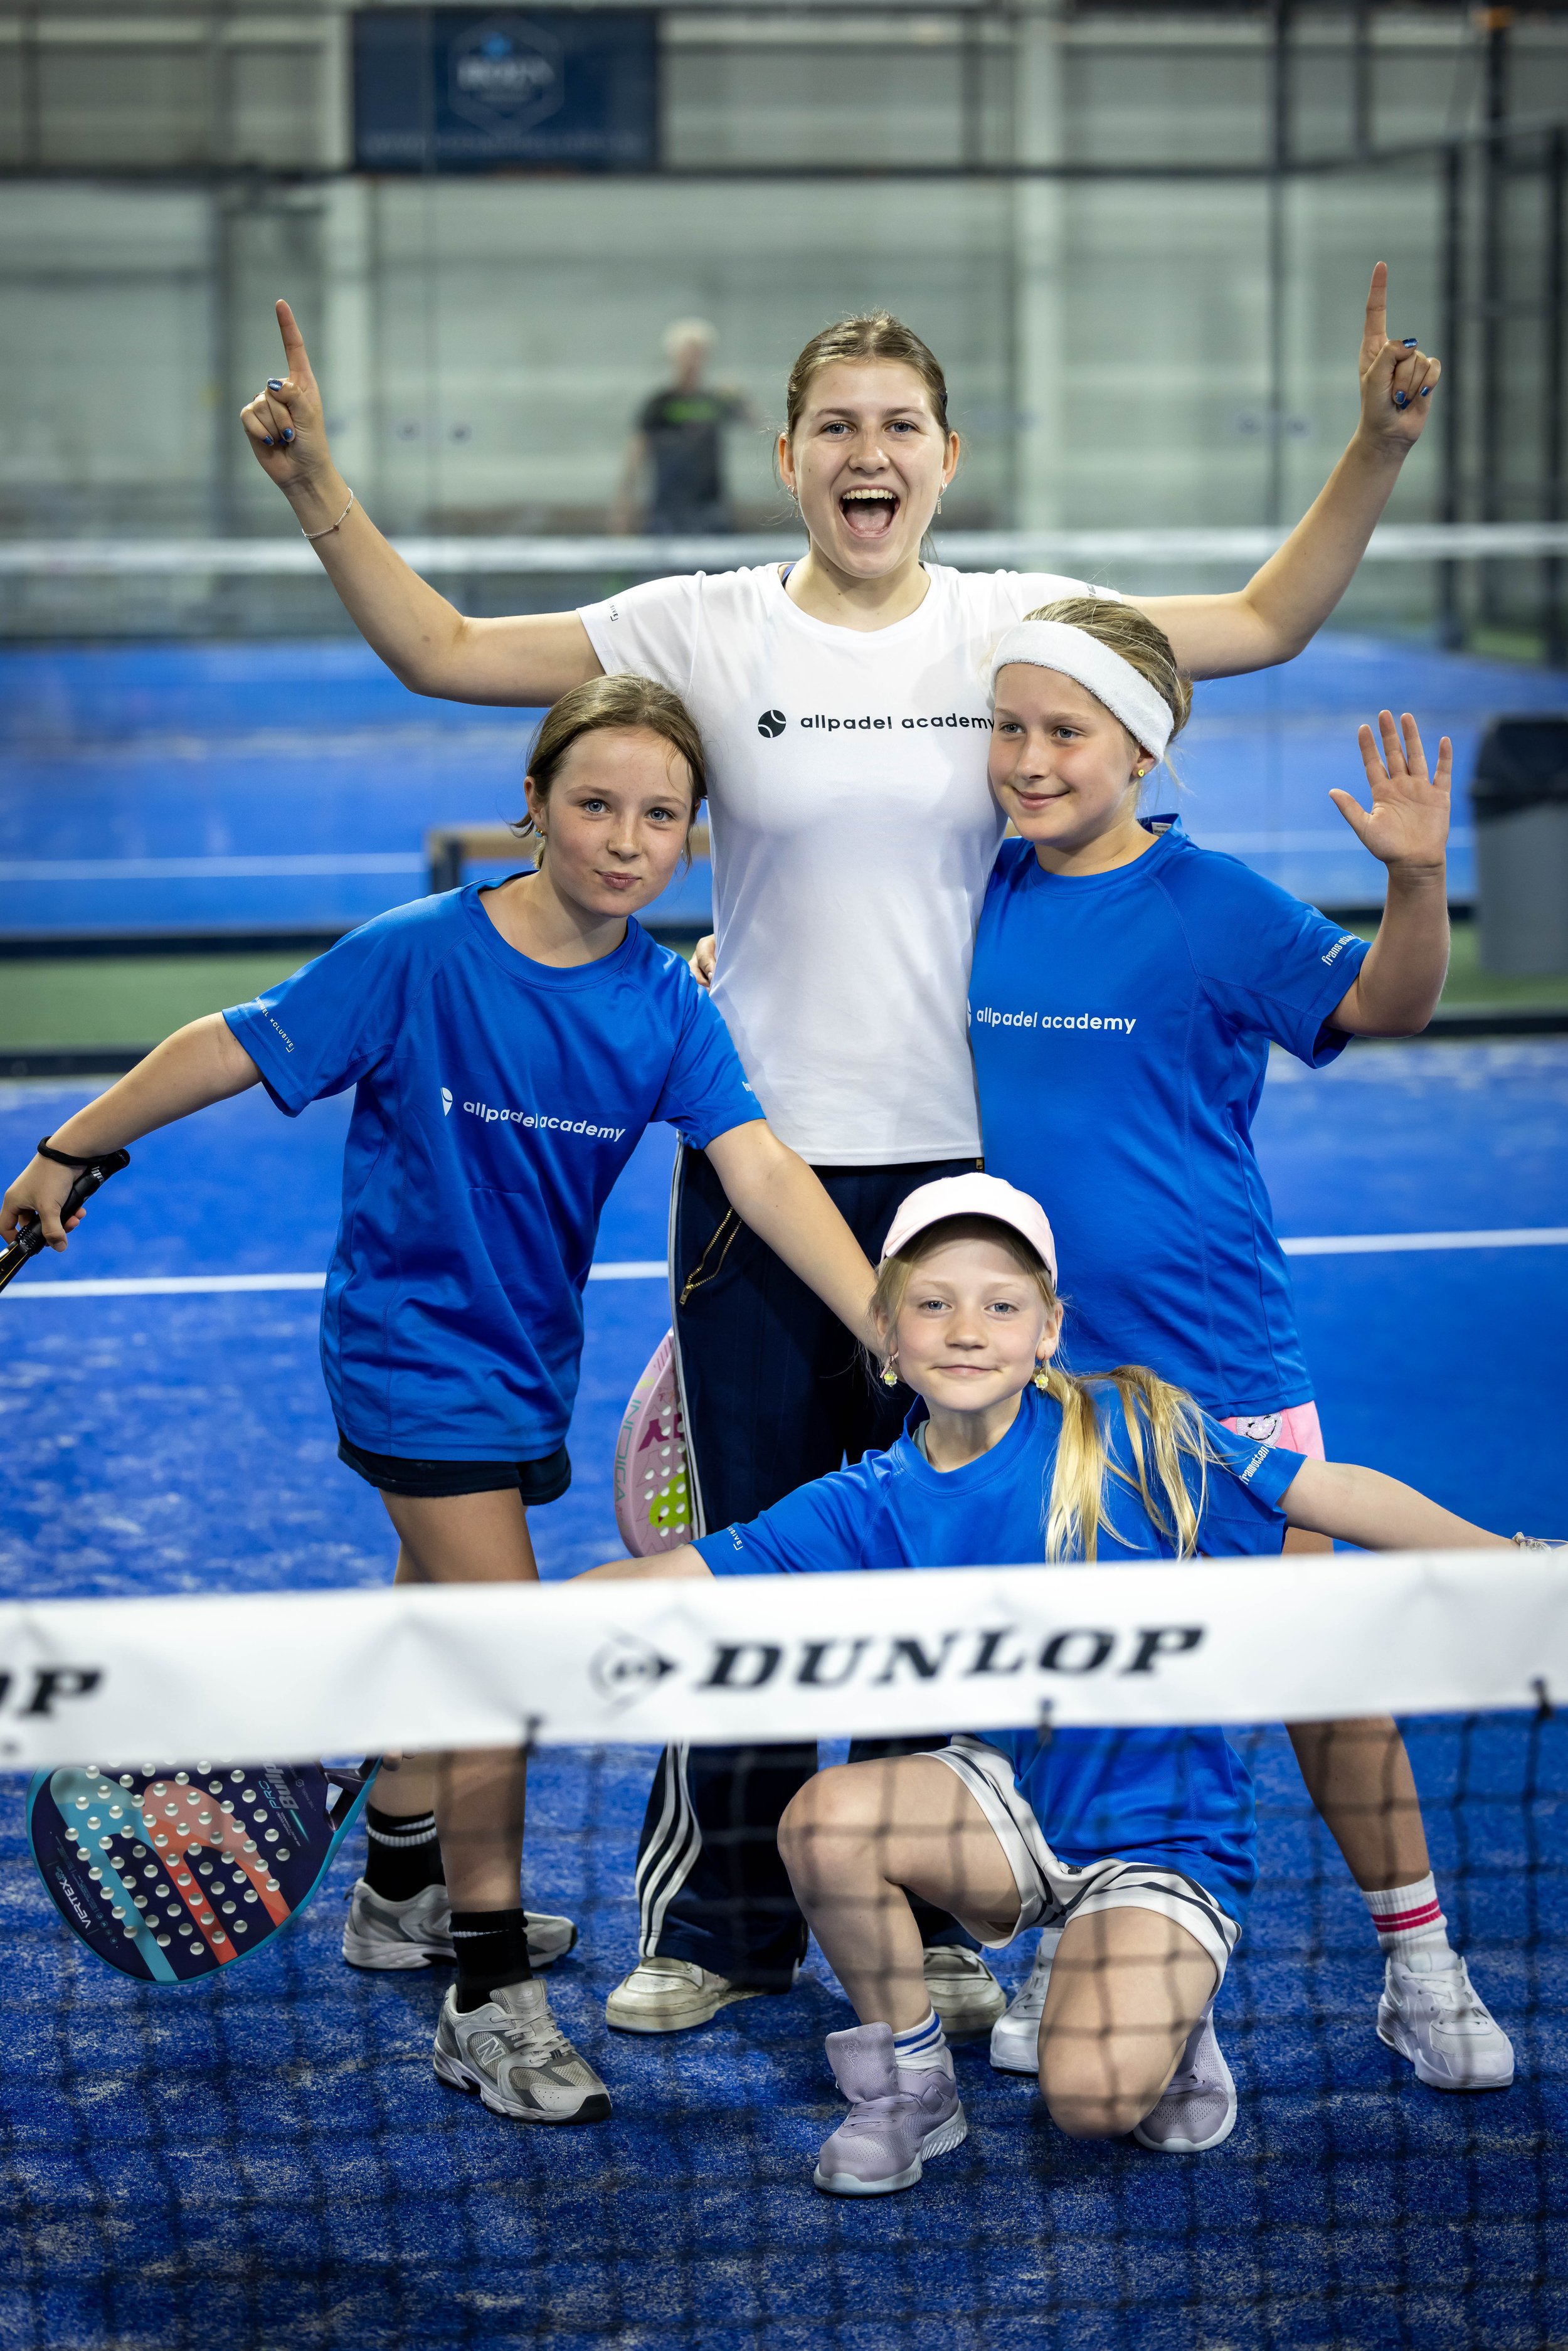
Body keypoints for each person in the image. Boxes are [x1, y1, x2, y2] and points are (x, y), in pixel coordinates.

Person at [236, 267, 1443, 2039]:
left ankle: (926, 1910)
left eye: (898, 427)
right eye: (835, 428)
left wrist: (1374, 447)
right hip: (764, 1171)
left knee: (934, 1559)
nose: (866, 454)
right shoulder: (701, 622)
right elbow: (441, 653)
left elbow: (1264, 616)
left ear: (944, 457)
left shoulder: (1019, 623)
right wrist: (316, 488)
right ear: (790, 458)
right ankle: (719, 1919)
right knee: (751, 1544)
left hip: (968, 1196)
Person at [0, 674, 881, 2130]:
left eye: (662, 816)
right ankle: (486, 1992)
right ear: (531, 806)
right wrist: (70, 1148)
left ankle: (397, 1889)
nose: (625, 838)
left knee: (436, 1632)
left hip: (525, 1364)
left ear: (693, 838)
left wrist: (879, 1322)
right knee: (498, 1665)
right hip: (412, 1358)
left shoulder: (665, 1003)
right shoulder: (420, 954)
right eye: (594, 804)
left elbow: (762, 1169)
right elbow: (236, 1038)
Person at [575, 1177, 1517, 2192]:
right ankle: (911, 2090)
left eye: (1001, 1302)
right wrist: (478, 1639)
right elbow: (687, 1577)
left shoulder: (1137, 1431)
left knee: (1089, 2099)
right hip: (1007, 1803)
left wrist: (1514, 1568)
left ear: (1048, 1329)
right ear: (886, 1329)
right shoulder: (867, 1502)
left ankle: (1159, 1998)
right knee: (826, 1821)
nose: (967, 1328)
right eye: (932, 1303)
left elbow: (1327, 1491)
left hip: (1165, 1831)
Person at [969, 600, 1515, 2093]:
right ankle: (1089, 1936)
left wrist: (1416, 883)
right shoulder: (983, 888)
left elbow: (1390, 1008)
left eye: (1063, 731)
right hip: (1049, 1383)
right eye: (1007, 728)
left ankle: (1420, 1960)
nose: (1027, 759)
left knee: (1320, 1671)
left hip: (1221, 1363)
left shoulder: (1213, 903)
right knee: (1069, 1680)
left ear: (1143, 745)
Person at [610, 319, 753, 537]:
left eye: (698, 352)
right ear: (673, 355)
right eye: (687, 351)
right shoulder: (659, 404)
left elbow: (752, 420)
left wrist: (738, 395)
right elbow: (636, 454)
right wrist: (624, 505)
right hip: (667, 511)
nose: (692, 359)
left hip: (710, 509)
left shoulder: (715, 401)